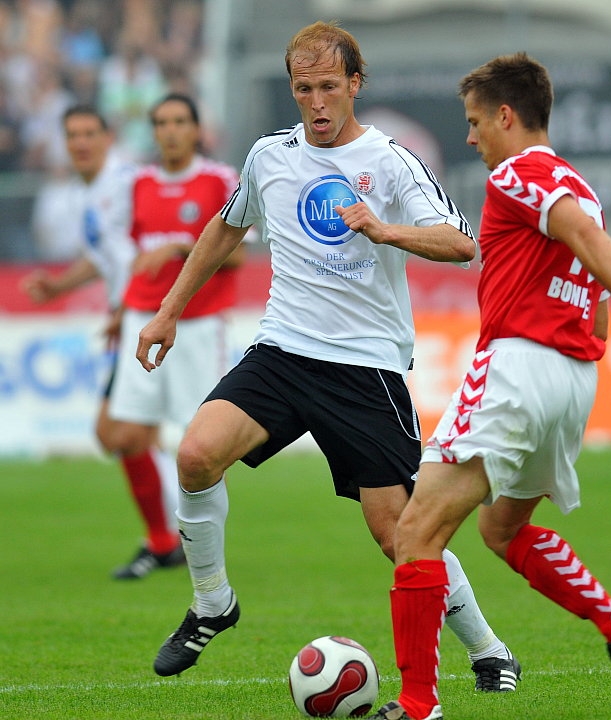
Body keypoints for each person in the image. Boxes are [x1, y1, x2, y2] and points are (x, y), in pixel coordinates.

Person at [136, 21, 521, 693]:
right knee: (196, 455)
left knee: (400, 534)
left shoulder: (391, 161)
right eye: (303, 88)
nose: (316, 103)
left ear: (355, 84)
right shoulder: (269, 156)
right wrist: (168, 309)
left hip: (365, 367)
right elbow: (227, 226)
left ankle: (490, 651)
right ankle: (212, 603)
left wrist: (383, 229)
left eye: (328, 87)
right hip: (283, 352)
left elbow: (460, 244)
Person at [370, 52, 611, 720]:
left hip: (517, 367)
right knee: (501, 529)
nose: (471, 138)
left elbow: (576, 235)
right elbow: (591, 288)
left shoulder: (519, 173)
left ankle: (417, 705)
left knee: (415, 535)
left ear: (505, 115)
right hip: (573, 378)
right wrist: (603, 323)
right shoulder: (582, 188)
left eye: (475, 122)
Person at [105, 92, 243, 580]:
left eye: (180, 121)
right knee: (126, 435)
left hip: (197, 324)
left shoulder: (219, 179)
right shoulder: (136, 183)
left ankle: (204, 553)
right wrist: (120, 309)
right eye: (161, 122)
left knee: (199, 444)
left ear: (196, 129)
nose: (170, 131)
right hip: (141, 319)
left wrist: (183, 247)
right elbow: (127, 255)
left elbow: (240, 254)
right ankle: (161, 543)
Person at [22, 103, 136, 487]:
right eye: (72, 135)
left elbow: (137, 254)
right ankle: (171, 521)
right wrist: (59, 286)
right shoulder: (85, 191)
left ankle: (172, 521)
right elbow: (103, 258)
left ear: (108, 138)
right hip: (132, 315)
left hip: (145, 315)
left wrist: (126, 308)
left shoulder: (125, 182)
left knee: (115, 431)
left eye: (89, 134)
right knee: (131, 434)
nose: (81, 143)